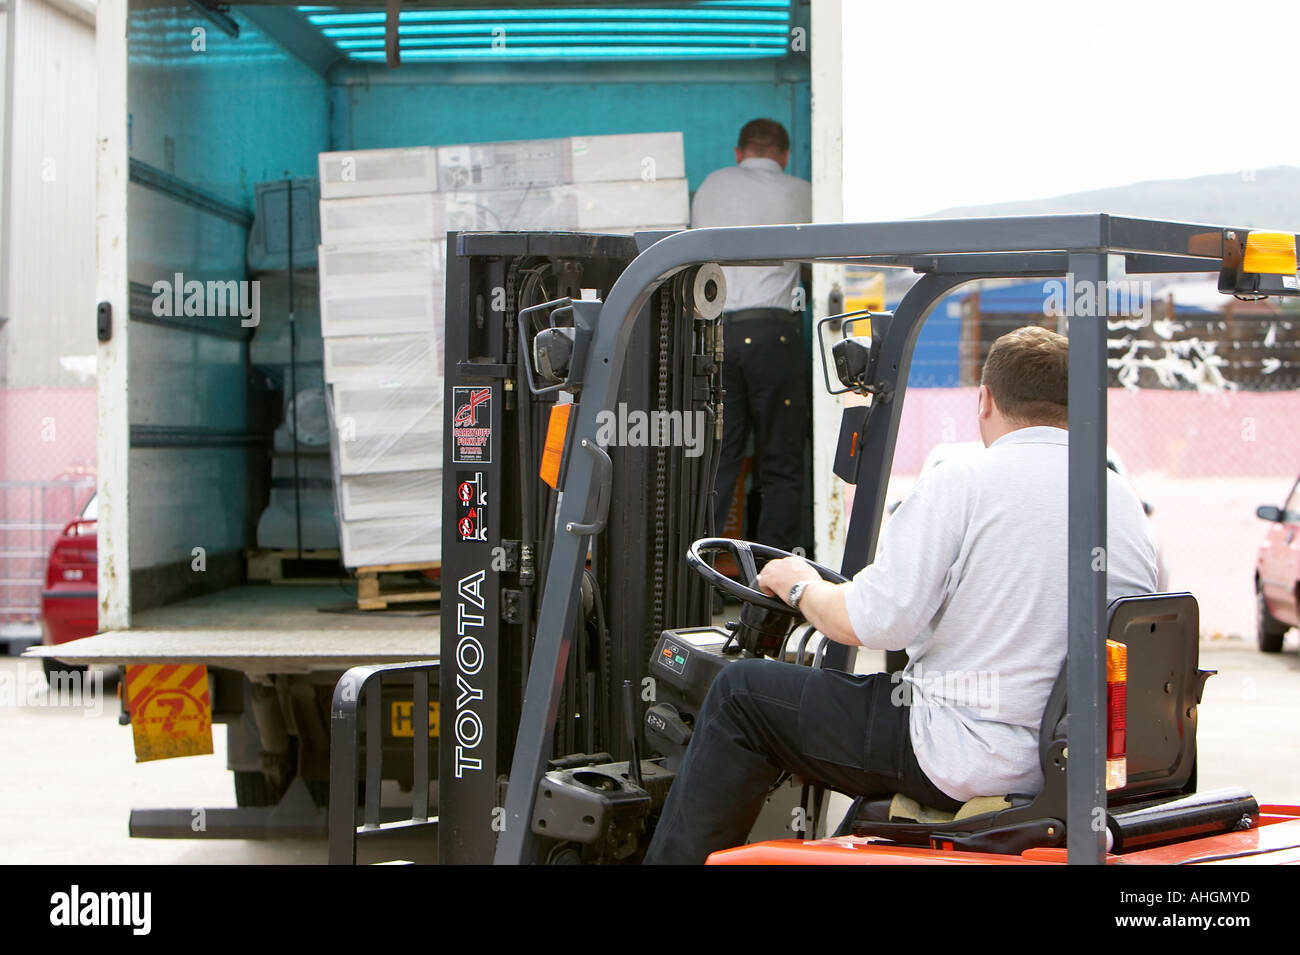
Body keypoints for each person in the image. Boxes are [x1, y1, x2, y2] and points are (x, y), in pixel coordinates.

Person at [643, 326, 1159, 865]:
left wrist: (798, 585)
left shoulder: (963, 483)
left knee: (740, 693)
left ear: (985, 400)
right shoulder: (1119, 499)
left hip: (964, 750)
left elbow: (873, 622)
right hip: (1071, 756)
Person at [691, 118, 812, 552]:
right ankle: (775, 583)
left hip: (720, 333)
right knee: (780, 463)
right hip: (774, 334)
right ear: (784, 154)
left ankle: (700, 571)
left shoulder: (711, 185)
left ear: (740, 153)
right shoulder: (803, 191)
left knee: (721, 459)